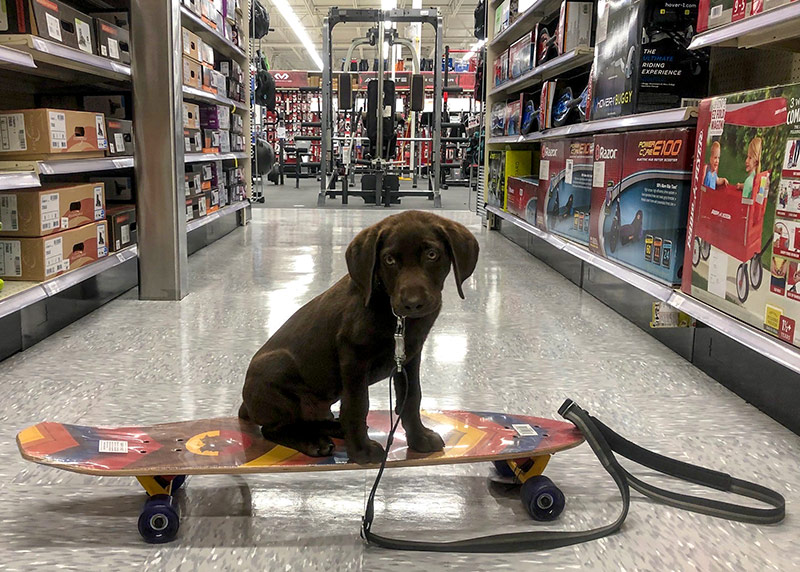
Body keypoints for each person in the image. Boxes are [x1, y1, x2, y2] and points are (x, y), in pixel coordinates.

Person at [735, 137, 763, 201]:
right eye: (747, 157)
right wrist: (742, 186)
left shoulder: (749, 181)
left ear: (755, 162)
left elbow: (743, 205)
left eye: (750, 158)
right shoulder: (755, 178)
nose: (746, 160)